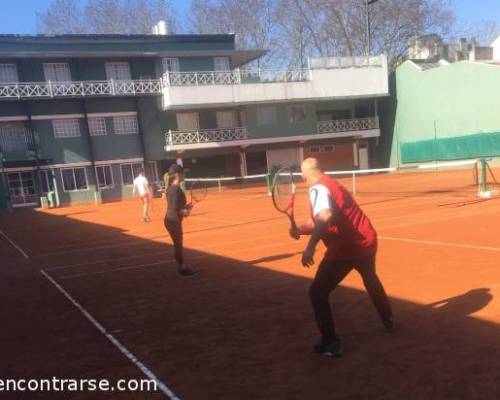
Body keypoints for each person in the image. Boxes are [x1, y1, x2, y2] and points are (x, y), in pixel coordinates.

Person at [290, 157, 394, 357]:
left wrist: (310, 247)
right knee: (370, 278)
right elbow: (322, 218)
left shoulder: (317, 189)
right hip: (367, 240)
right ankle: (388, 319)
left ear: (305, 176)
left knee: (317, 293)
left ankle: (331, 343)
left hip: (346, 247)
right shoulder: (331, 183)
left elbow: (325, 215)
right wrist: (300, 230)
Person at [163, 164, 196, 277]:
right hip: (173, 221)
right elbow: (179, 210)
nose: (184, 175)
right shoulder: (176, 190)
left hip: (170, 219)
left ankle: (181, 267)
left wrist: (188, 206)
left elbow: (177, 207)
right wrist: (188, 210)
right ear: (178, 175)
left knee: (178, 245)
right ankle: (182, 269)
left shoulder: (170, 188)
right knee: (178, 246)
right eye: (182, 173)